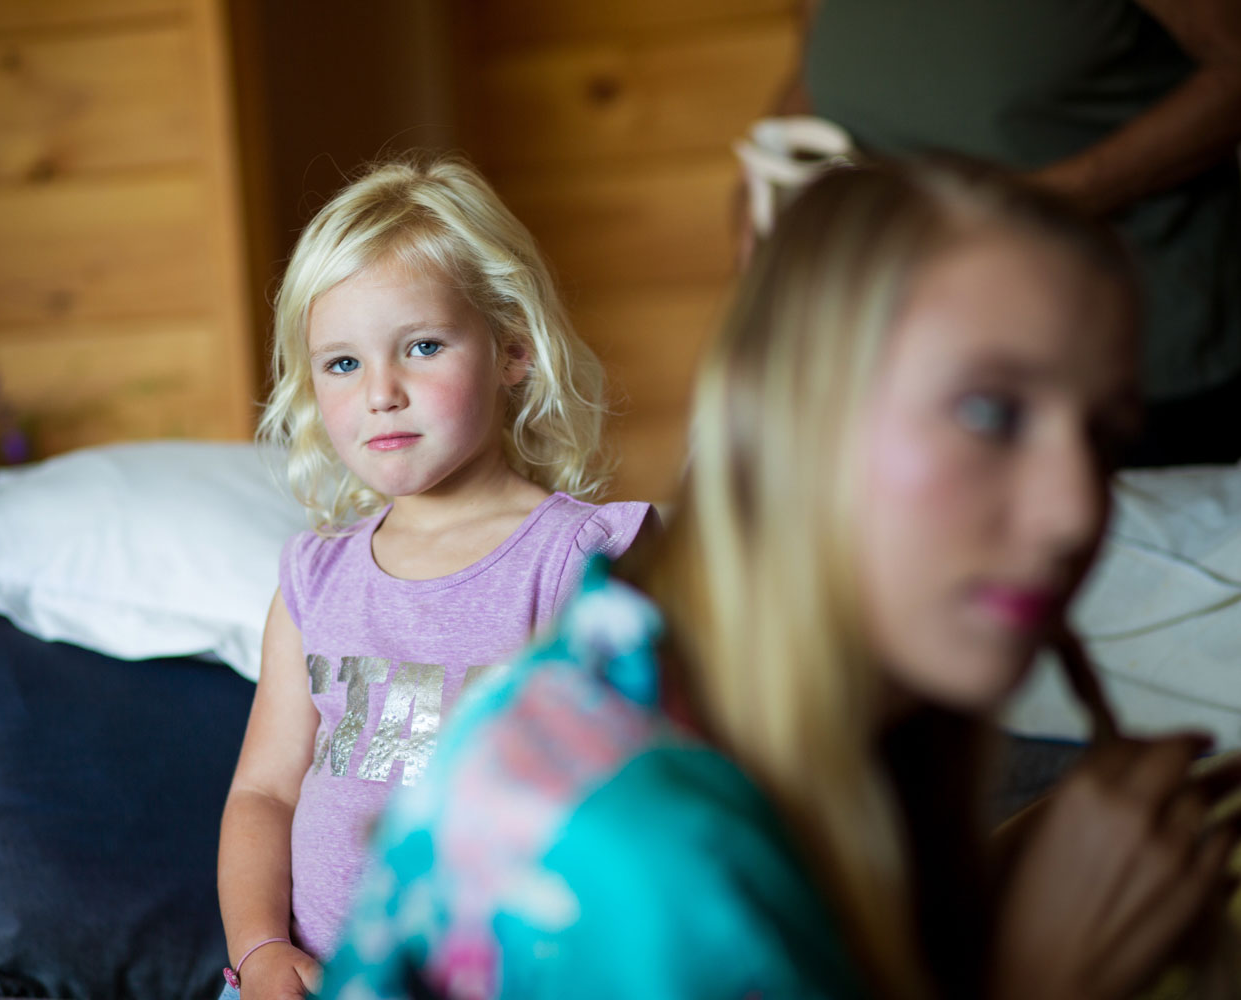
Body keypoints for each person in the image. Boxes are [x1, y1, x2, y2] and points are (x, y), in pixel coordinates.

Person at [321, 159, 1241, 999]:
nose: (1077, 509)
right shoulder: (625, 846)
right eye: (989, 411)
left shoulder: (863, 742)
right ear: (789, 414)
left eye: (1107, 437)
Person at [215, 158, 656, 999]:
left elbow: (629, 802)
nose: (381, 392)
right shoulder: (314, 578)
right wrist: (262, 950)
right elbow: (265, 793)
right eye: (342, 363)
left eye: (421, 347)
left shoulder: (581, 559)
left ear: (513, 352)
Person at [740, 0, 1241, 467]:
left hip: (1137, 352)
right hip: (902, 355)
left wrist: (1051, 202)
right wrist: (766, 175)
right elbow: (817, 74)